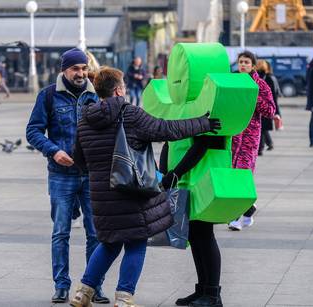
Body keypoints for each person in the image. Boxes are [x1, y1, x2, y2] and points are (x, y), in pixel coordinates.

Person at [70, 67, 219, 307]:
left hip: (101, 194)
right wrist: (203, 123)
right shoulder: (130, 114)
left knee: (109, 243)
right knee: (136, 242)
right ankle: (124, 297)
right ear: (119, 90)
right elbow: (166, 130)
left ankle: (82, 293)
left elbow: (79, 160)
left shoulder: (85, 120)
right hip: (132, 191)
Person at [26, 48, 109, 304]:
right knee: (61, 232)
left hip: (92, 174)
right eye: (75, 69)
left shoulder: (96, 95)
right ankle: (61, 284)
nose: (81, 73)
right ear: (64, 70)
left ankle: (93, 285)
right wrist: (53, 151)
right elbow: (33, 131)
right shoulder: (49, 95)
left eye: (84, 68)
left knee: (95, 233)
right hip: (61, 175)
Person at [229, 51, 275, 231]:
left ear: (253, 66)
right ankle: (248, 208)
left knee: (243, 175)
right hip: (231, 136)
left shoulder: (260, 85)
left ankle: (235, 218)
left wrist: (253, 96)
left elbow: (270, 110)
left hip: (249, 138)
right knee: (232, 175)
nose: (242, 65)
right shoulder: (230, 81)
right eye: (240, 62)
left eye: (246, 62)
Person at [256, 59, 281, 155]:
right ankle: (268, 144)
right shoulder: (268, 76)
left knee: (262, 128)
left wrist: (276, 111)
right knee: (263, 128)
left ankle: (261, 148)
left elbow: (273, 95)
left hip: (264, 106)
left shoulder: (266, 78)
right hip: (266, 106)